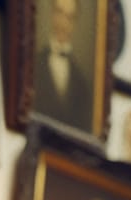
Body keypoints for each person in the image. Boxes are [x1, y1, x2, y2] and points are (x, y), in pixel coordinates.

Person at [33, 0, 92, 131]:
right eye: (59, 13)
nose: (63, 23)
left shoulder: (82, 83)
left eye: (69, 17)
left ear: (75, 23)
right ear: (52, 14)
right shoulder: (34, 65)